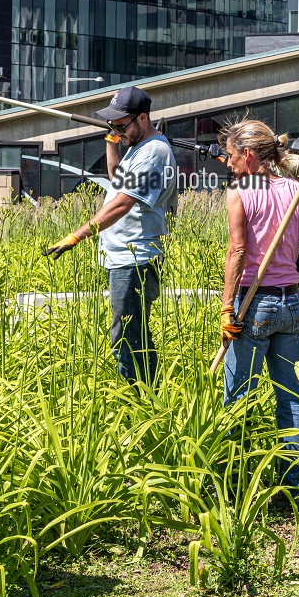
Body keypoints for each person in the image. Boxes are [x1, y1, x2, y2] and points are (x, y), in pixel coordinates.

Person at [217, 120, 299, 503]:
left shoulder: (240, 192)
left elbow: (237, 252)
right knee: (291, 396)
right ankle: (297, 492)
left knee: (238, 397)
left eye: (231, 156)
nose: (228, 164)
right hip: (291, 303)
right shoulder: (298, 191)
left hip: (253, 303)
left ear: (247, 155)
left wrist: (227, 308)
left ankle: (232, 487)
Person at [44, 86, 176, 386]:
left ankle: (141, 399)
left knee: (127, 336)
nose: (116, 129)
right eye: (111, 125)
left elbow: (123, 202)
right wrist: (113, 140)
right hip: (122, 257)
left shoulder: (154, 152)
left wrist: (78, 235)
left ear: (142, 119)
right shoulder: (137, 149)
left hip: (135, 259)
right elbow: (118, 178)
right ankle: (144, 393)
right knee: (130, 331)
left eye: (121, 125)